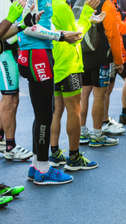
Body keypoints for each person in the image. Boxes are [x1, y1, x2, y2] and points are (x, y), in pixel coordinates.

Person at [15, 0, 83, 185]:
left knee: (43, 113)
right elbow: (27, 26)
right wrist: (60, 35)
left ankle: (37, 164)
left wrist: (61, 32)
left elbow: (42, 22)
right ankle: (44, 169)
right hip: (36, 54)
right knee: (45, 114)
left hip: (37, 52)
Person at [82, 0, 126, 144]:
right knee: (99, 95)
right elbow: (114, 34)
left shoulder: (88, 2)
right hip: (101, 55)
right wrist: (118, 61)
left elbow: (117, 20)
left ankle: (82, 131)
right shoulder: (107, 5)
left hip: (84, 52)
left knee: (84, 94)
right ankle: (97, 134)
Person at [48, 0, 100, 170]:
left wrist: (88, 19)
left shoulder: (46, 5)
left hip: (55, 64)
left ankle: (54, 153)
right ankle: (74, 157)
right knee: (74, 110)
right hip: (69, 65)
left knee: (57, 111)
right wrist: (86, 13)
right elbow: (76, 35)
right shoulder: (61, 6)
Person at [0, 0, 33, 161]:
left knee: (13, 97)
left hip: (9, 51)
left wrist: (23, 24)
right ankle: (10, 147)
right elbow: (1, 32)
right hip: (3, 53)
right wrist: (17, 22)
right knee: (10, 98)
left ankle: (2, 140)